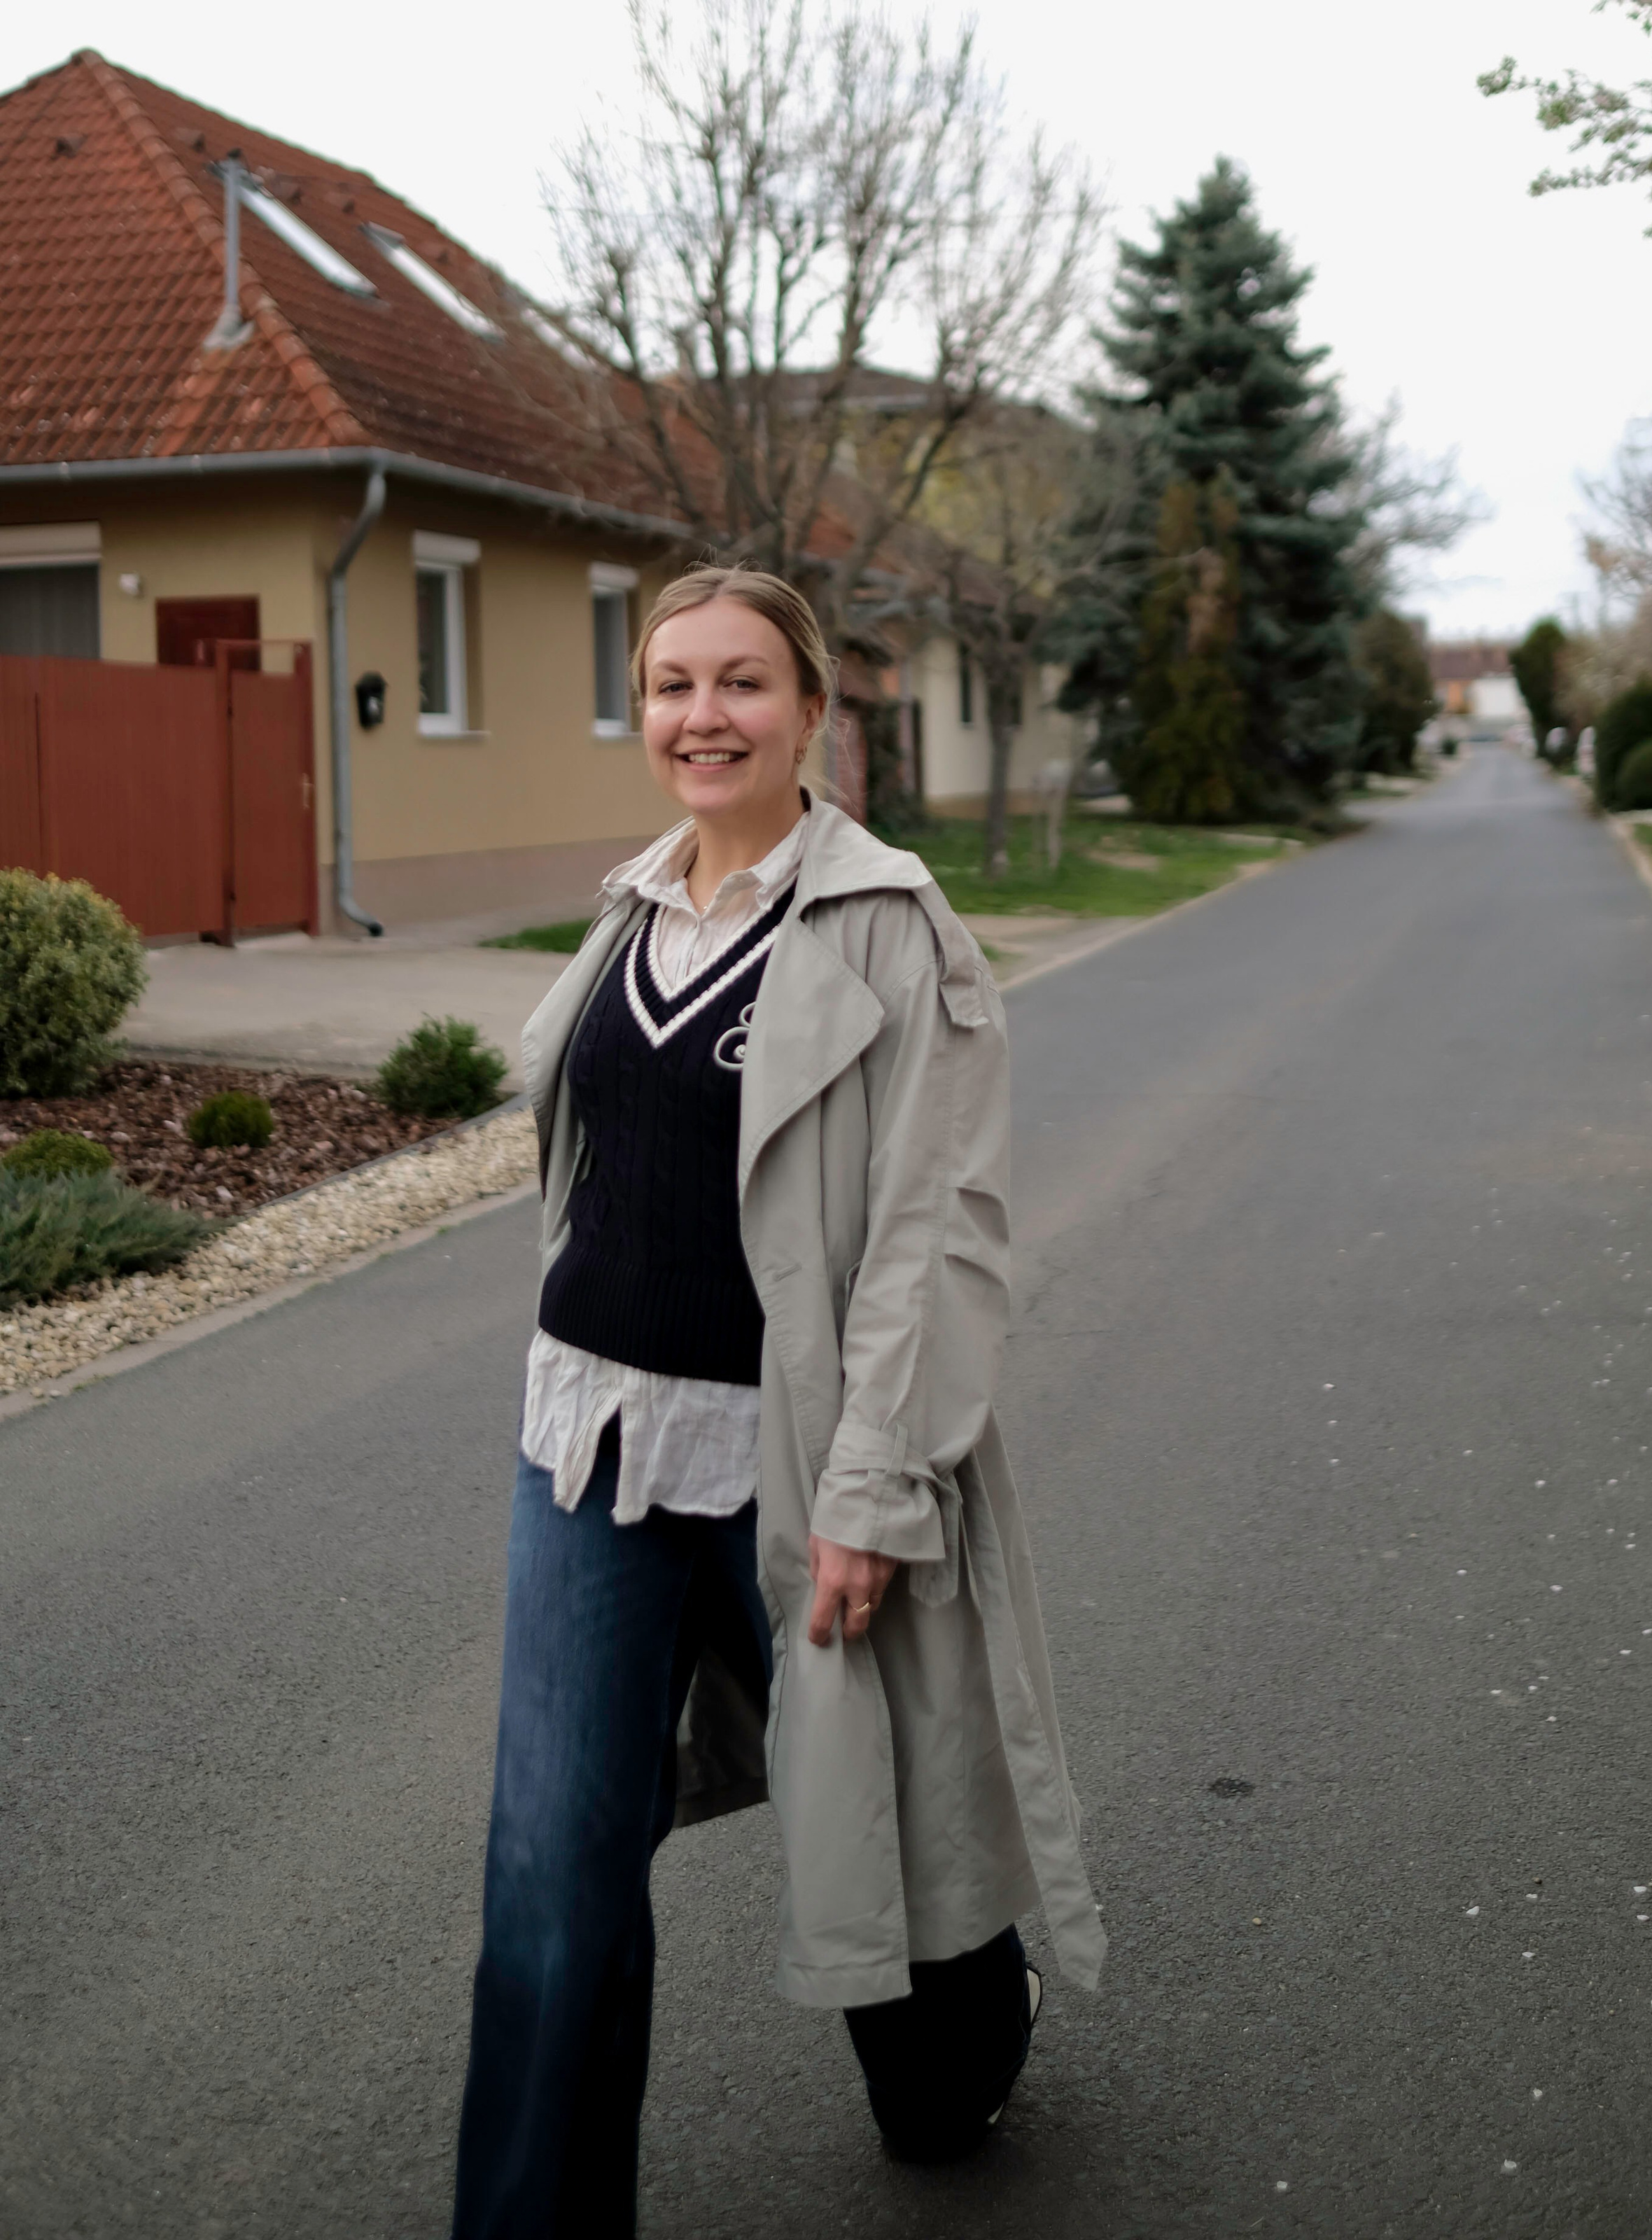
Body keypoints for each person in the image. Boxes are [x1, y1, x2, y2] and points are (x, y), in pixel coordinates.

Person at [451, 564, 1104, 2238]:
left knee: (877, 1818)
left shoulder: (891, 927)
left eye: (741, 683)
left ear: (815, 710)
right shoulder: (626, 911)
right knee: (549, 1872)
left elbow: (933, 1236)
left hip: (796, 1461)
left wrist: (876, 1489)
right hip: (589, 1446)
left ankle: (970, 2034)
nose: (700, 716)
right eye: (670, 684)